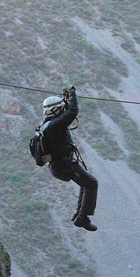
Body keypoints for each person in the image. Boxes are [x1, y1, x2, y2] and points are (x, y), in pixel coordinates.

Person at [41, 86, 99, 231]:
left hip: (58, 165)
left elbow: (67, 113)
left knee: (85, 184)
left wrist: (66, 99)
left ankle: (80, 215)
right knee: (91, 183)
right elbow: (73, 111)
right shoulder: (55, 125)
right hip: (64, 165)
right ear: (56, 110)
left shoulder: (47, 124)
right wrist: (72, 94)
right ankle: (82, 218)